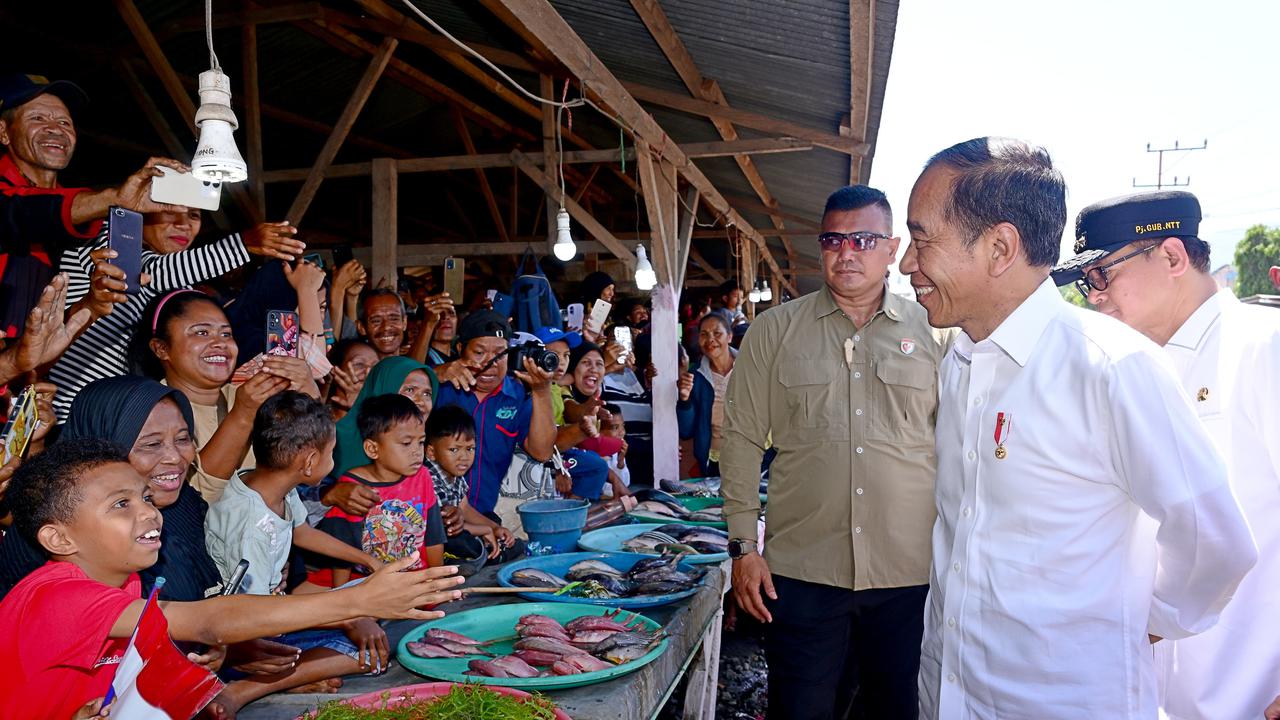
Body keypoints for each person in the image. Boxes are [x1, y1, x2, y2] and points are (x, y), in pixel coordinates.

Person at [898, 137, 1256, 719]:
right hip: (952, 696)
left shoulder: (1111, 367)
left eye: (921, 239)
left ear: (999, 247)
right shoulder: (962, 362)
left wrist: (1150, 617)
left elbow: (1215, 539)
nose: (907, 263)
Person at [0, 439, 464, 720]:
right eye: (120, 504)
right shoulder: (56, 594)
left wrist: (235, 655)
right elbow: (207, 621)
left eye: (144, 496)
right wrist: (357, 599)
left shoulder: (127, 584)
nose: (147, 511)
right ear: (58, 538)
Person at [720, 185, 951, 720]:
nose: (847, 252)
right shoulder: (775, 331)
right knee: (800, 709)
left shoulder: (936, 334)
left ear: (892, 248)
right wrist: (741, 548)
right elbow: (742, 439)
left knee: (896, 709)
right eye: (833, 240)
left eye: (864, 239)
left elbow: (960, 451)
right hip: (802, 574)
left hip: (908, 576)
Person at [1051, 190, 1280, 720]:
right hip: (1143, 695)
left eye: (1103, 274)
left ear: (1173, 257)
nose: (1092, 296)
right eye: (1086, 282)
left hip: (1245, 690)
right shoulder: (1127, 368)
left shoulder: (1261, 347)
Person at [203, 392, 399, 714]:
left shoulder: (272, 484)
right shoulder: (251, 527)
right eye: (331, 454)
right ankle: (243, 689)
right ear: (308, 462)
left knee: (373, 602)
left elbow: (301, 531)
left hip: (272, 614)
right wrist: (346, 618)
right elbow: (251, 616)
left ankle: (295, 675)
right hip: (246, 640)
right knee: (368, 656)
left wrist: (368, 561)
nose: (333, 462)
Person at [49, 208, 303, 421]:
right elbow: (156, 271)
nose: (182, 224)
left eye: (193, 215)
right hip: (68, 411)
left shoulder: (174, 286)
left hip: (117, 413)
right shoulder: (103, 250)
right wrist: (242, 244)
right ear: (140, 213)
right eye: (168, 212)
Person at [135, 290, 315, 503]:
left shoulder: (249, 396)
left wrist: (308, 387)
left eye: (226, 334)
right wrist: (243, 414)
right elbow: (197, 496)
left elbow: (312, 462)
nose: (219, 343)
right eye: (201, 333)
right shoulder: (151, 411)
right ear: (161, 348)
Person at [314, 393, 447, 588]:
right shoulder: (352, 488)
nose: (417, 451)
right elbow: (342, 549)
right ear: (372, 449)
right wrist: (340, 596)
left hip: (415, 579)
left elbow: (433, 536)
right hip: (369, 583)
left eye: (421, 442)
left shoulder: (423, 477)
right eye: (406, 443)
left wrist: (439, 583)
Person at [435, 310, 556, 520]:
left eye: (500, 354)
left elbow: (542, 452)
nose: (490, 363)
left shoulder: (517, 396)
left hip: (484, 514)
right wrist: (434, 373)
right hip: (435, 514)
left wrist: (542, 390)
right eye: (479, 352)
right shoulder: (440, 388)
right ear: (460, 349)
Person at [424, 404, 522, 570]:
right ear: (431, 452)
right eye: (454, 449)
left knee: (491, 517)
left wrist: (495, 527)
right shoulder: (429, 478)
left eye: (470, 449)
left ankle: (491, 548)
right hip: (441, 535)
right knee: (460, 542)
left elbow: (465, 509)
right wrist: (484, 530)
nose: (464, 457)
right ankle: (490, 553)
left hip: (460, 528)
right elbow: (442, 526)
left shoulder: (455, 475)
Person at [677, 311, 738, 478]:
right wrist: (684, 399)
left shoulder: (750, 368)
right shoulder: (694, 376)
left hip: (753, 456)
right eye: (704, 334)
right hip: (714, 460)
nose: (710, 339)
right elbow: (686, 431)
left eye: (717, 333)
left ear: (730, 337)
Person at [359, 287, 408, 359]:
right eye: (376, 321)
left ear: (404, 322)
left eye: (394, 319)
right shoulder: (355, 370)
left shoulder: (414, 369)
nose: (386, 327)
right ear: (361, 327)